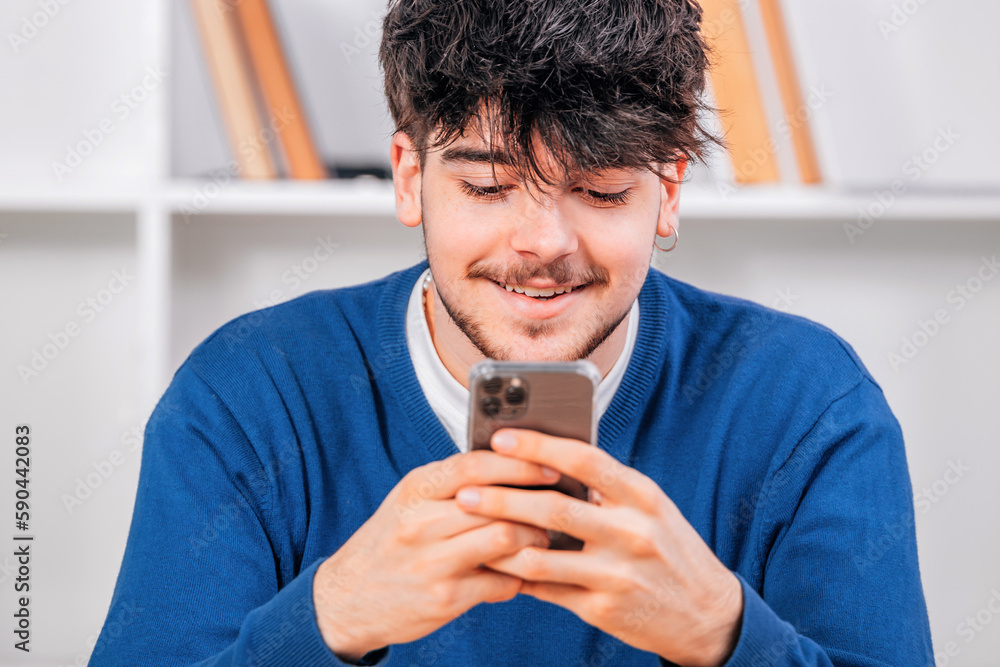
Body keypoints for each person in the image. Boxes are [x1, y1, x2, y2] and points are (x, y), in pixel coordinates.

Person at [91, 0, 935, 665]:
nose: (543, 246)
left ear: (669, 192)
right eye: (490, 187)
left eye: (601, 191)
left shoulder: (808, 403)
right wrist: (330, 616)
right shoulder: (244, 395)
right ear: (410, 178)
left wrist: (720, 631)